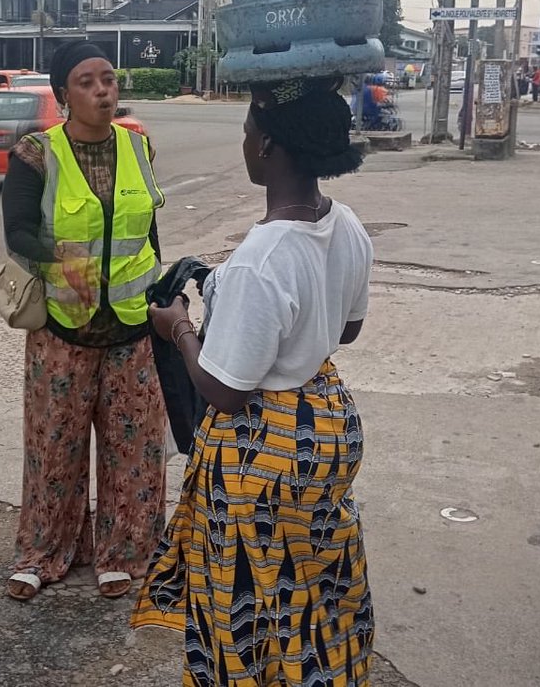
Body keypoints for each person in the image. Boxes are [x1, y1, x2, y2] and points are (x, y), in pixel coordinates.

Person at [132, 79, 376, 687]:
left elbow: (224, 390)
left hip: (261, 448)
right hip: (325, 425)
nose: (243, 142)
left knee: (245, 590)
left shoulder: (262, 258)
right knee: (312, 584)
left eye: (246, 132)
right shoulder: (345, 225)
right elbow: (347, 329)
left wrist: (180, 328)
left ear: (267, 145)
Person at [1, 41, 167, 602]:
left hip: (134, 328)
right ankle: (43, 552)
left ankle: (124, 551)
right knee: (55, 446)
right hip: (61, 331)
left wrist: (164, 293)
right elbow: (17, 230)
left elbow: (146, 228)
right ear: (62, 94)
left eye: (109, 79)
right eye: (87, 82)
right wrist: (55, 262)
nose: (102, 90)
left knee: (133, 448)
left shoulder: (139, 145)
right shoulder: (35, 153)